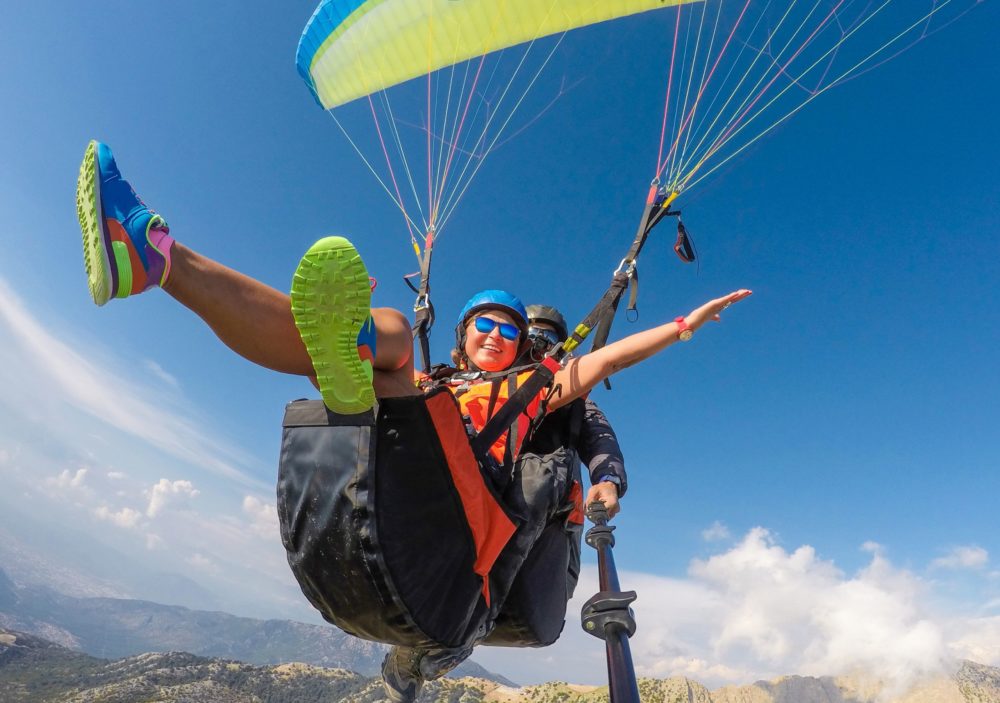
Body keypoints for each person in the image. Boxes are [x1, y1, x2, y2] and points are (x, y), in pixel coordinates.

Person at [76, 140, 751, 701]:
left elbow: (598, 363)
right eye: (482, 321)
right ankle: (159, 260)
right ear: (463, 335)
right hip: (406, 463)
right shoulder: (441, 378)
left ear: (522, 346)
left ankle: (339, 346)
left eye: (509, 328)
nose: (495, 332)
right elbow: (423, 375)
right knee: (392, 346)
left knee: (396, 352)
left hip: (461, 510)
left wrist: (681, 326)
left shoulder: (532, 388)